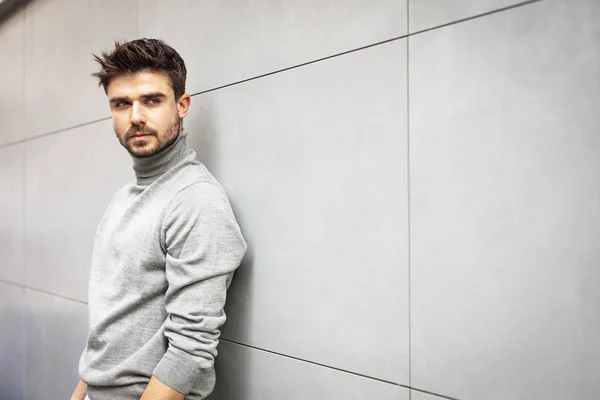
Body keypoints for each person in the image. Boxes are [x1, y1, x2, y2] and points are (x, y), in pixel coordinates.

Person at [69, 38, 248, 400]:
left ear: (182, 105)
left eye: (152, 100)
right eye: (122, 103)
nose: (136, 116)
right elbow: (109, 331)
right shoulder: (125, 197)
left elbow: (191, 350)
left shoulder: (196, 200)